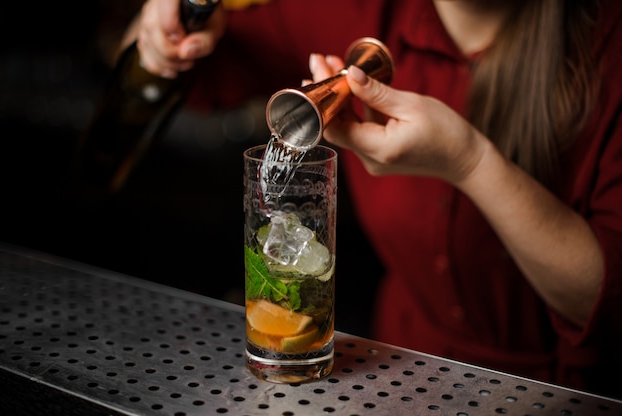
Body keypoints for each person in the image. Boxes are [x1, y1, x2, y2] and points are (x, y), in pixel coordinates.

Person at [121, 0, 622, 398]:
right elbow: (170, 68)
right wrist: (160, 27)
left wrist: (470, 162)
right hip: (397, 376)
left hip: (562, 395)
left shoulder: (609, 45)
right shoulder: (353, 9)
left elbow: (607, 298)